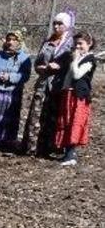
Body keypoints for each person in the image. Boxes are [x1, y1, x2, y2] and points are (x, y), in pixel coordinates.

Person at [21, 11, 76, 156]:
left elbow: (74, 63)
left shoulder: (71, 44)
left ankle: (51, 147)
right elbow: (38, 62)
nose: (56, 26)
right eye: (55, 23)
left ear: (67, 26)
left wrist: (61, 68)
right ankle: (32, 147)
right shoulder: (47, 42)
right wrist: (40, 68)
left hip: (59, 85)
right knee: (36, 115)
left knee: (54, 116)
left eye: (60, 24)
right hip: (43, 83)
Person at [53, 31, 97, 166]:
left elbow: (77, 74)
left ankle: (71, 154)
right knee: (66, 121)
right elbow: (69, 77)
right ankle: (67, 153)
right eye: (75, 44)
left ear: (89, 44)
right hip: (69, 93)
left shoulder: (90, 60)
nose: (77, 47)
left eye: (80, 44)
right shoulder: (75, 57)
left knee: (75, 122)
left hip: (79, 96)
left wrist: (75, 59)